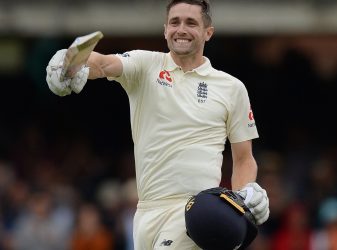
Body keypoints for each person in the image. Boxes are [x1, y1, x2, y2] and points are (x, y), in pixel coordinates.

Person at [46, 0, 270, 249]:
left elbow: (243, 159)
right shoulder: (146, 65)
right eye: (175, 22)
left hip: (194, 212)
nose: (181, 29)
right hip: (145, 212)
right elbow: (103, 63)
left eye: (191, 23)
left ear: (209, 32)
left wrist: (243, 195)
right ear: (165, 30)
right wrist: (70, 63)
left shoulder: (232, 88)